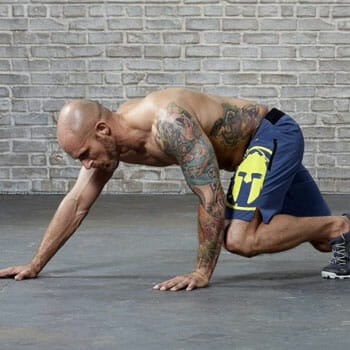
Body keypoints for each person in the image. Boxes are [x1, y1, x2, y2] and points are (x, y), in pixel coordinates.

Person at [0, 88, 349, 290]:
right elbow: (76, 202)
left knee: (240, 239)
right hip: (251, 156)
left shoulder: (168, 123)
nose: (86, 165)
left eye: (85, 155)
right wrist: (35, 263)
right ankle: (339, 229)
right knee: (323, 242)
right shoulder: (113, 146)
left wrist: (201, 271)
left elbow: (210, 194)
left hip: (270, 135)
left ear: (103, 129)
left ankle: (341, 225)